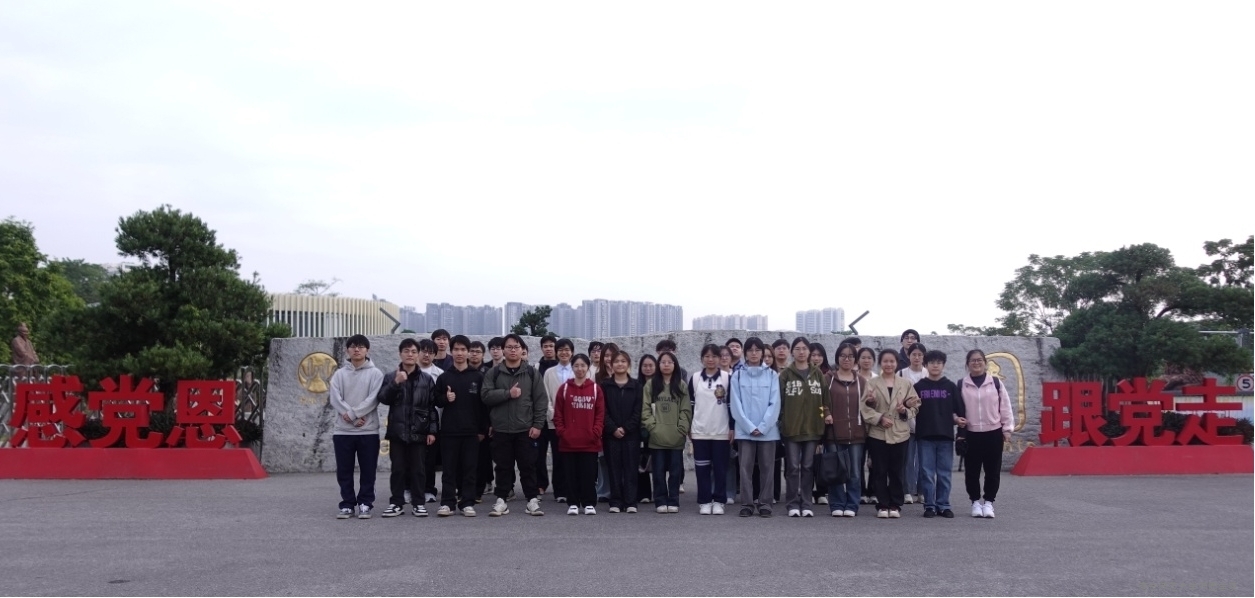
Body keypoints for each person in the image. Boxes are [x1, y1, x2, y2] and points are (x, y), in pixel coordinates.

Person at [480, 334, 548, 517]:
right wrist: (507, 393)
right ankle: (501, 499)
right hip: (501, 428)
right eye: (509, 347)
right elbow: (485, 396)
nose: (512, 350)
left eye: (516, 347)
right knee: (503, 467)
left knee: (528, 466)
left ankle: (532, 500)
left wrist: (538, 425)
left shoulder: (531, 373)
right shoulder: (494, 373)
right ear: (503, 350)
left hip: (525, 428)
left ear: (522, 350)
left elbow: (541, 401)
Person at [378, 338, 439, 518]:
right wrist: (396, 383)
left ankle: (418, 503)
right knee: (398, 469)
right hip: (397, 431)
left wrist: (432, 430)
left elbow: (431, 407)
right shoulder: (391, 376)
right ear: (400, 354)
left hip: (419, 431)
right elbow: (383, 398)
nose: (410, 354)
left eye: (413, 351)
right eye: (406, 351)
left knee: (418, 470)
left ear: (418, 354)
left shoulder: (426, 379)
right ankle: (396, 503)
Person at [328, 334, 384, 519]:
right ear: (347, 350)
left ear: (367, 350)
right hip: (343, 431)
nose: (357, 350)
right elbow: (335, 399)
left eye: (361, 346)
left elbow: (373, 399)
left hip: (368, 430)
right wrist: (352, 418)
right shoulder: (339, 374)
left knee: (368, 470)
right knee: (344, 471)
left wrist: (353, 414)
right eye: (353, 346)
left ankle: (365, 503)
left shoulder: (375, 374)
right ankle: (347, 504)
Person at [861, 350, 920, 519]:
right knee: (879, 471)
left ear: (897, 363)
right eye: (885, 361)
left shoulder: (905, 383)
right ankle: (882, 504)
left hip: (900, 433)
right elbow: (863, 407)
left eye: (892, 361)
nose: (888, 364)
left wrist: (904, 410)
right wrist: (878, 416)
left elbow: (915, 405)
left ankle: (895, 504)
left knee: (897, 471)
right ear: (880, 363)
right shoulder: (871, 383)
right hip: (878, 434)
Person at [433, 335, 487, 517]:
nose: (460, 353)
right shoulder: (444, 377)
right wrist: (445, 398)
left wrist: (482, 429)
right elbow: (436, 400)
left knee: (470, 469)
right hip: (449, 431)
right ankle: (447, 503)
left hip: (471, 431)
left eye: (463, 349)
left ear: (469, 352)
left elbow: (483, 406)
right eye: (456, 349)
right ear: (451, 351)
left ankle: (467, 502)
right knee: (449, 470)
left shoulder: (478, 377)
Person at [958, 349, 1013, 519]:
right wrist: (956, 420)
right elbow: (955, 408)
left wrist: (1007, 429)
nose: (976, 363)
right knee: (972, 471)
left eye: (979, 360)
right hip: (971, 433)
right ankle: (975, 502)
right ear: (967, 364)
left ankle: (989, 502)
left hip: (993, 433)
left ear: (985, 363)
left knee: (992, 470)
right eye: (973, 360)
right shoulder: (961, 384)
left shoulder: (995, 383)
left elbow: (1005, 406)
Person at [730, 337, 780, 517]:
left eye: (757, 350)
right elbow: (735, 404)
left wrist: (763, 426)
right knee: (745, 469)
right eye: (750, 350)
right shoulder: (737, 375)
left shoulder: (772, 375)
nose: (754, 353)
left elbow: (775, 403)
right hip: (744, 431)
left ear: (762, 353)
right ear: (745, 353)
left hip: (768, 431)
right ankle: (747, 504)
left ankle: (765, 503)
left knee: (767, 469)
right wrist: (750, 427)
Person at [913, 349, 965, 519]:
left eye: (939, 363)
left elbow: (960, 411)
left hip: (945, 437)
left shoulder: (950, 386)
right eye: (932, 362)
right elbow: (910, 409)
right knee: (927, 473)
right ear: (925, 365)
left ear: (943, 365)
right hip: (925, 437)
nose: (935, 365)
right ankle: (929, 505)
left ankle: (943, 505)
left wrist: (960, 429)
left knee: (944, 473)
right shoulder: (918, 387)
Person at [778, 336, 826, 518]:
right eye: (797, 349)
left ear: (809, 352)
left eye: (804, 348)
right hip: (791, 429)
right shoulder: (786, 374)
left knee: (807, 466)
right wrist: (782, 422)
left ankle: (806, 503)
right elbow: (779, 402)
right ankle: (792, 503)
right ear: (792, 352)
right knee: (792, 467)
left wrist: (823, 419)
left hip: (813, 428)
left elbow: (825, 400)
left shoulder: (817, 374)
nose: (801, 352)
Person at [553, 354, 605, 515]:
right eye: (576, 365)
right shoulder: (564, 388)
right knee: (571, 475)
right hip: (568, 442)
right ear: (572, 367)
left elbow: (600, 414)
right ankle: (573, 503)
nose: (580, 369)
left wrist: (595, 432)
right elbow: (558, 414)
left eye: (583, 365)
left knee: (589, 474)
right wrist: (562, 432)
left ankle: (589, 503)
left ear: (588, 367)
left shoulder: (595, 389)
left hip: (590, 441)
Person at [641, 351, 691, 513]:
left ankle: (673, 500)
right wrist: (652, 428)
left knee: (675, 472)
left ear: (675, 365)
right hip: (657, 437)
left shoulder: (681, 385)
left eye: (670, 362)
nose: (666, 365)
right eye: (663, 362)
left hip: (676, 437)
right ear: (659, 365)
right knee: (658, 472)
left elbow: (686, 410)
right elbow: (645, 409)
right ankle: (660, 500)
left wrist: (681, 428)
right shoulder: (651, 385)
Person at [823, 342, 866, 517]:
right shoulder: (828, 379)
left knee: (854, 471)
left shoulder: (861, 381)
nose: (846, 359)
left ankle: (852, 504)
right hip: (833, 432)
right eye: (843, 356)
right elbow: (820, 402)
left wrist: (872, 401)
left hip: (856, 433)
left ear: (855, 359)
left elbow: (868, 406)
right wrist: (826, 413)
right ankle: (837, 504)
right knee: (836, 471)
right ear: (837, 358)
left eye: (850, 356)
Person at [689, 344, 733, 515]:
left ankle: (719, 501)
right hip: (700, 430)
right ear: (702, 359)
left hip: (721, 431)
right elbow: (690, 406)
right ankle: (705, 501)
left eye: (714, 356)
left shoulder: (727, 378)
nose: (711, 359)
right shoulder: (695, 378)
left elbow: (731, 405)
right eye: (707, 356)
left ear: (719, 358)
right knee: (702, 469)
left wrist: (732, 428)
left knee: (721, 468)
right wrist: (689, 427)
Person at [600, 351, 642, 513]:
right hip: (611, 435)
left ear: (628, 364)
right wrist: (613, 428)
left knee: (631, 469)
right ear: (611, 365)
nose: (620, 364)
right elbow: (602, 411)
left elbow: (638, 411)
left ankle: (631, 501)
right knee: (613, 469)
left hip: (631, 435)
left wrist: (625, 428)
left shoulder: (636, 385)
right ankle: (616, 501)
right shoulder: (605, 386)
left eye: (623, 361)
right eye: (616, 361)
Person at [541, 339, 576, 503]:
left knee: (574, 456)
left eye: (567, 349)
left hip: (576, 421)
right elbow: (545, 396)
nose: (564, 352)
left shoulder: (578, 369)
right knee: (558, 455)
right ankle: (560, 490)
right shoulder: (549, 372)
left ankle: (573, 489)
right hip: (555, 421)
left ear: (572, 352)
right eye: (560, 349)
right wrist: (553, 415)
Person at [898, 343, 928, 504]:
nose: (917, 357)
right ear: (908, 356)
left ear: (924, 356)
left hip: (925, 423)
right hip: (906, 422)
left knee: (924, 460)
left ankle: (922, 491)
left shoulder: (929, 374)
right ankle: (907, 490)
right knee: (907, 459)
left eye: (920, 354)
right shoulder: (901, 373)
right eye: (913, 354)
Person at [416, 339, 445, 504]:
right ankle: (409, 489)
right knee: (409, 459)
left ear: (435, 355)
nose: (426, 355)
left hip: (433, 423)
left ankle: (428, 489)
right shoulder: (407, 371)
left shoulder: (440, 374)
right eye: (423, 351)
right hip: (411, 423)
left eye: (430, 352)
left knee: (429, 460)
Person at [635, 354, 658, 503]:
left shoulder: (660, 385)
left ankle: (659, 492)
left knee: (657, 461)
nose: (648, 368)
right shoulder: (636, 385)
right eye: (645, 365)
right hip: (640, 427)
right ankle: (644, 494)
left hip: (657, 427)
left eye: (651, 365)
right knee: (641, 459)